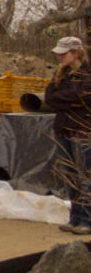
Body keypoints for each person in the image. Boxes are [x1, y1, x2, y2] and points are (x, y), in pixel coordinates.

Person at [44, 35, 91, 235]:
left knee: (85, 176)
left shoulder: (87, 75)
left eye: (65, 54)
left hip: (81, 131)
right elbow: (49, 97)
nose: (61, 58)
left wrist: (63, 100)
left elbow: (83, 97)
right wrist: (68, 101)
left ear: (76, 53)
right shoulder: (62, 75)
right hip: (63, 130)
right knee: (70, 176)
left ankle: (87, 219)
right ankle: (75, 217)